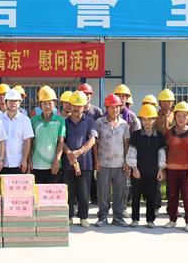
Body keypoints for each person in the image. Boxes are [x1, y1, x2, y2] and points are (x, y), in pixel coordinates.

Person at [92, 93, 130, 227]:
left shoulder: (124, 124)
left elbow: (126, 144)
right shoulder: (99, 123)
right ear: (106, 108)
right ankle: (102, 216)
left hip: (120, 164)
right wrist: (96, 160)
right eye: (112, 107)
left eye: (117, 107)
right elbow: (95, 143)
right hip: (103, 163)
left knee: (120, 191)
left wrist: (126, 162)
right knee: (103, 191)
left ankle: (118, 217)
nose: (115, 109)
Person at [126, 103, 166, 228]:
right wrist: (134, 168)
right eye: (144, 119)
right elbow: (131, 153)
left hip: (153, 173)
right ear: (141, 120)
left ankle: (150, 220)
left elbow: (162, 154)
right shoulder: (136, 135)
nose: (147, 122)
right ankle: (135, 219)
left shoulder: (159, 136)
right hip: (138, 172)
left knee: (151, 197)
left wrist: (161, 169)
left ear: (154, 120)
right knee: (136, 196)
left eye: (150, 119)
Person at [62, 89, 97, 227]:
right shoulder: (64, 122)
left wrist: (78, 152)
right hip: (67, 163)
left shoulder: (89, 121)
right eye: (74, 105)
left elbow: (92, 140)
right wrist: (69, 153)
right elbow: (61, 140)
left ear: (84, 107)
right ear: (70, 105)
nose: (76, 108)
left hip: (85, 163)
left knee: (84, 192)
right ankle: (69, 216)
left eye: (79, 105)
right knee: (69, 193)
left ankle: (83, 217)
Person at [163, 101, 188, 232]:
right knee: (172, 195)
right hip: (171, 170)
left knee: (187, 196)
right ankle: (172, 219)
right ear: (175, 116)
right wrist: (163, 168)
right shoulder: (168, 133)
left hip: (186, 171)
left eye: (184, 116)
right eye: (179, 115)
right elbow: (164, 151)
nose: (181, 118)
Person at [30, 88, 66, 184]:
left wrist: (57, 159)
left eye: (50, 103)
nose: (47, 106)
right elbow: (30, 142)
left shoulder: (60, 120)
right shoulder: (33, 120)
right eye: (44, 103)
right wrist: (29, 160)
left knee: (52, 193)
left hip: (54, 166)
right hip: (36, 165)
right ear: (40, 105)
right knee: (37, 193)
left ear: (54, 104)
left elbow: (61, 142)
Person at [0, 88, 33, 175]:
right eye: (10, 101)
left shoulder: (25, 120)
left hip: (19, 164)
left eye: (16, 101)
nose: (13, 103)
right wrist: (0, 159)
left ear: (20, 102)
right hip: (2, 164)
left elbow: (27, 141)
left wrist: (24, 160)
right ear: (6, 102)